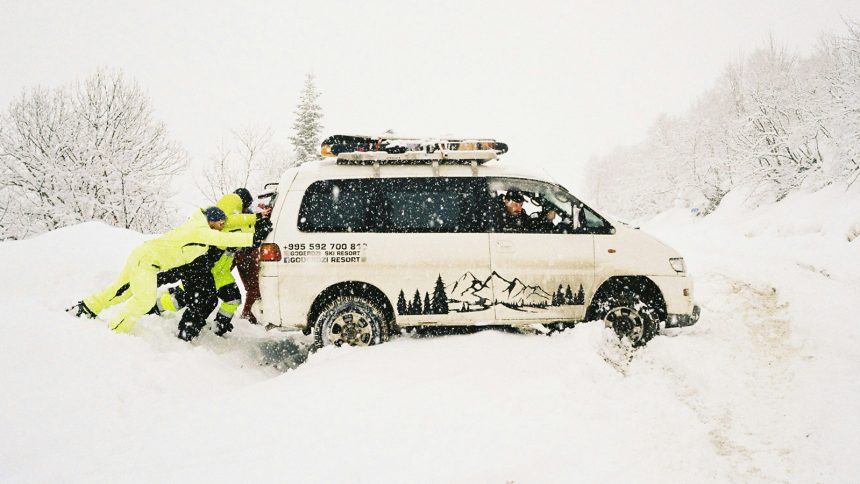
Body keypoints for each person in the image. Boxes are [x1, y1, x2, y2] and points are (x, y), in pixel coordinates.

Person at [67, 206, 255, 335]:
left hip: (143, 256)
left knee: (122, 290)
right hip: (146, 262)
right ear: (212, 221)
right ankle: (115, 331)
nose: (222, 227)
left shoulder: (198, 228)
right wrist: (253, 237)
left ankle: (87, 307)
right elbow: (223, 240)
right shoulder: (198, 230)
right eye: (221, 223)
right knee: (144, 299)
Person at [153, 188, 272, 338]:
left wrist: (261, 219)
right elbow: (243, 237)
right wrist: (259, 229)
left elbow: (244, 227)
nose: (245, 210)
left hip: (221, 273)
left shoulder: (231, 221)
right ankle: (156, 307)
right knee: (185, 298)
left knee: (232, 299)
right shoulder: (220, 224)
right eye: (244, 206)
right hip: (204, 272)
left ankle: (218, 329)